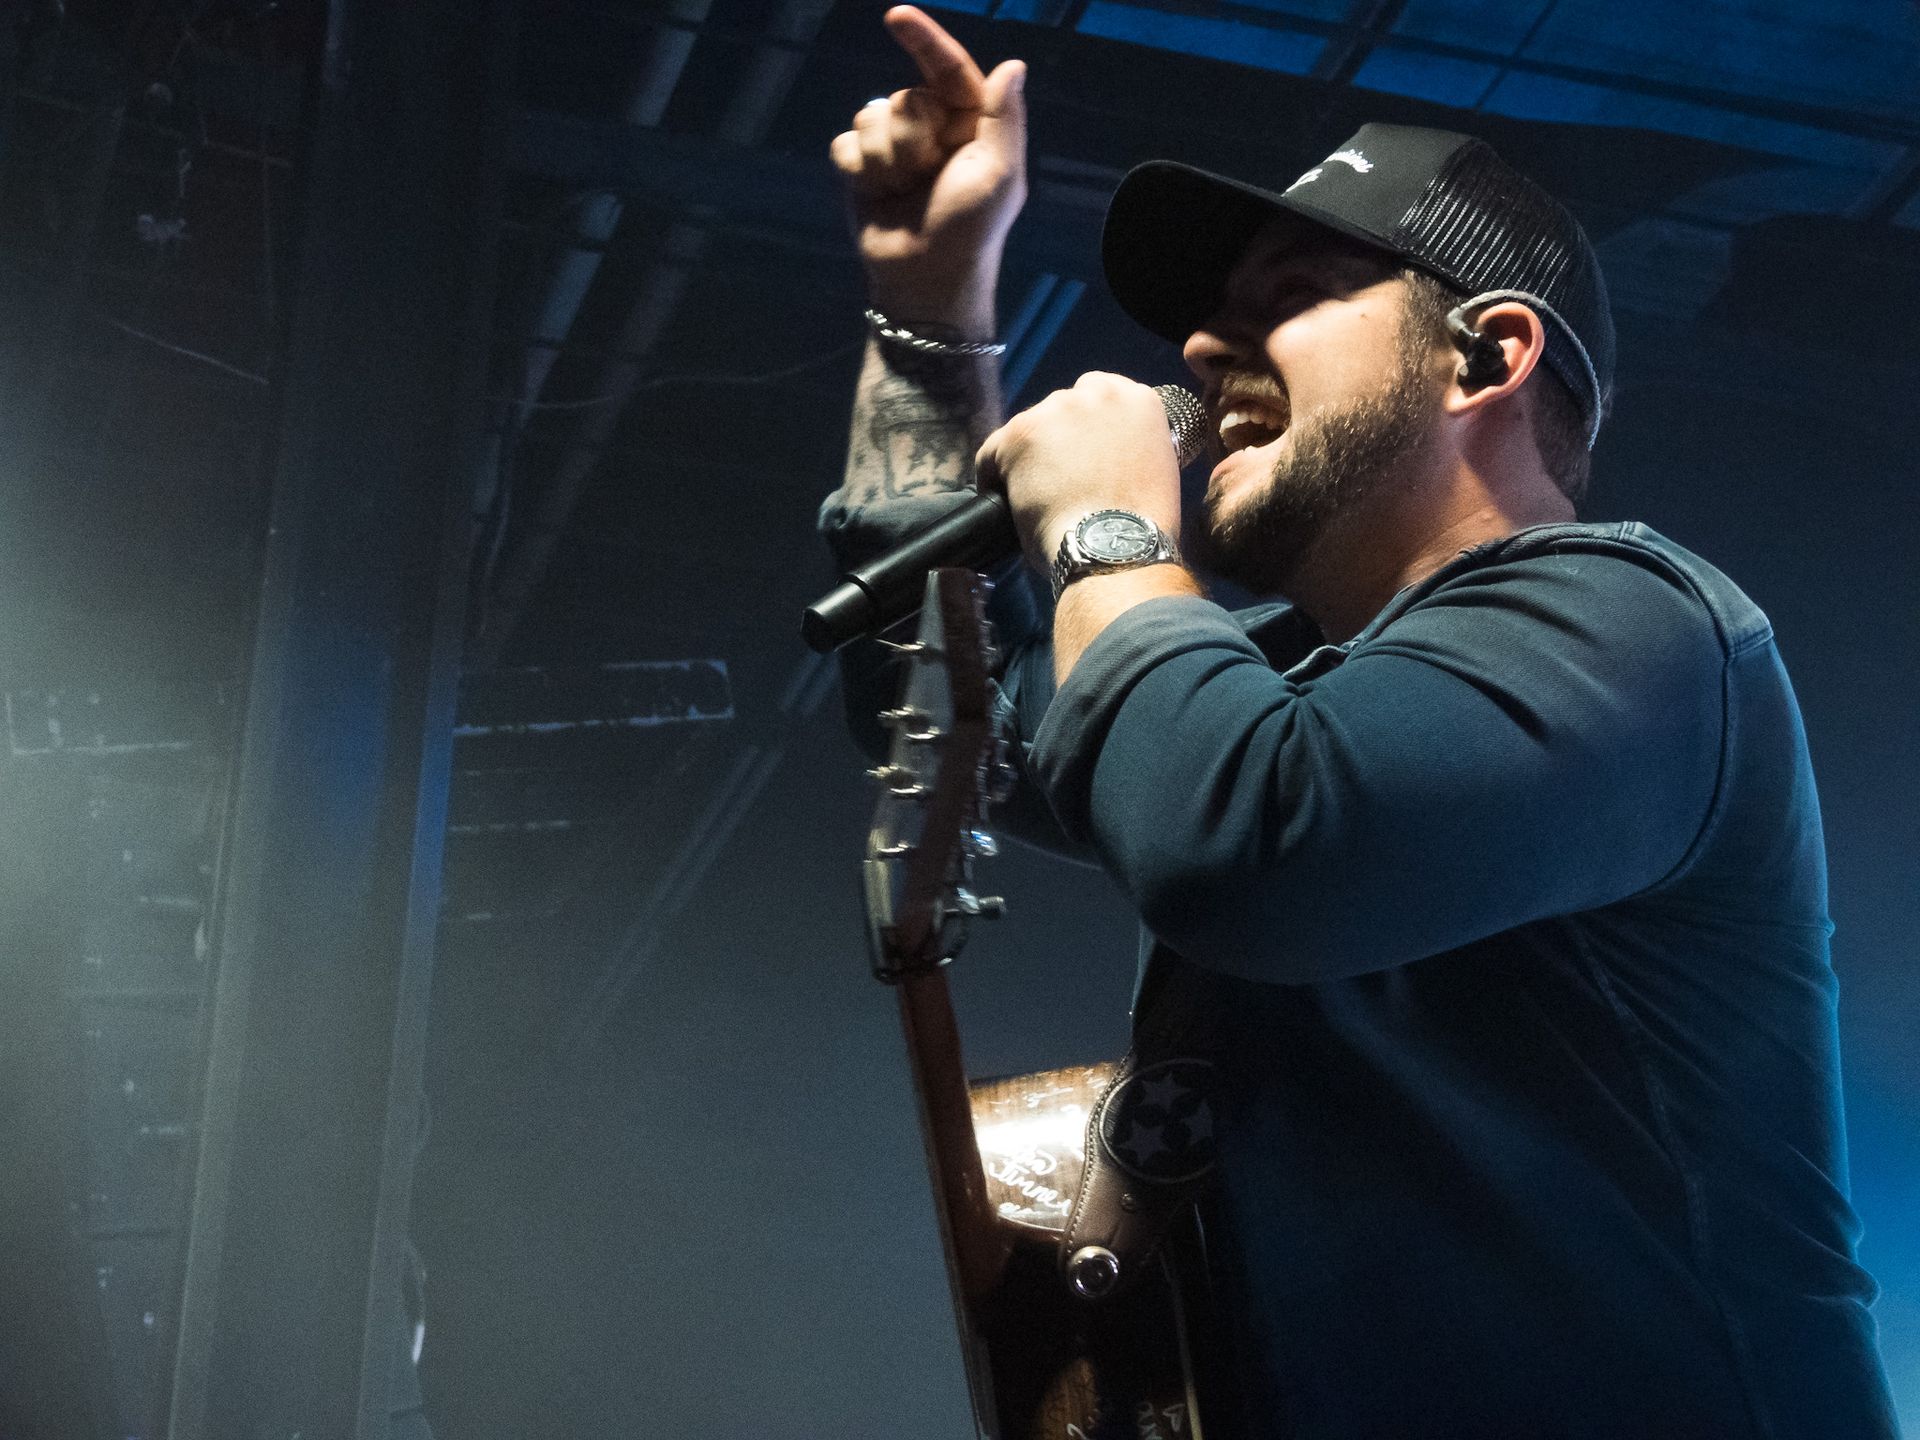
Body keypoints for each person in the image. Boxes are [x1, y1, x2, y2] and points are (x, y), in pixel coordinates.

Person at [819, 8, 1902, 1437]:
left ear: (1486, 356)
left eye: (1295, 292)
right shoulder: (1265, 681)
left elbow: (1250, 849)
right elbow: (935, 709)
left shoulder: (1642, 627)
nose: (1205, 344)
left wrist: (1104, 534)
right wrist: (931, 319)